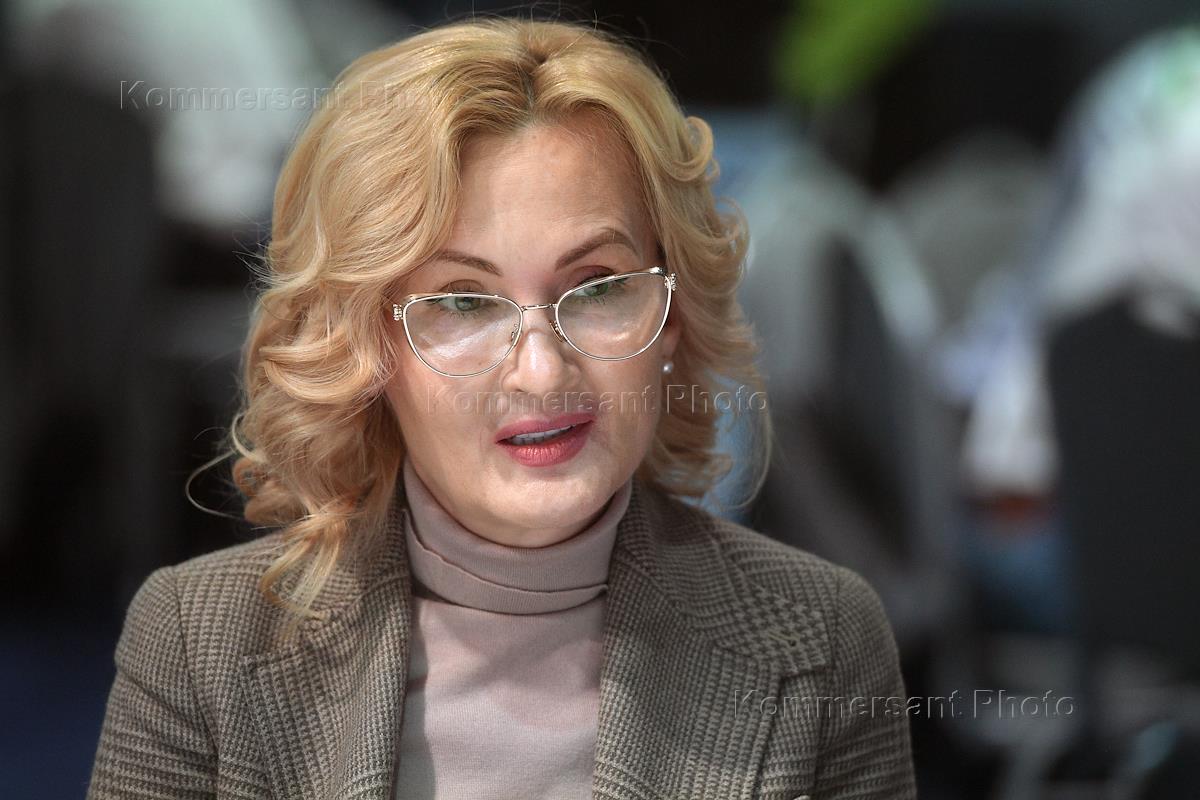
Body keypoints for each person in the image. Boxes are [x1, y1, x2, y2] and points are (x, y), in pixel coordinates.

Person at [87, 16, 916, 799]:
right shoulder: (197, 645)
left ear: (672, 315)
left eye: (597, 286)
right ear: (366, 349)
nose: (542, 372)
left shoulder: (821, 639)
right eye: (463, 301)